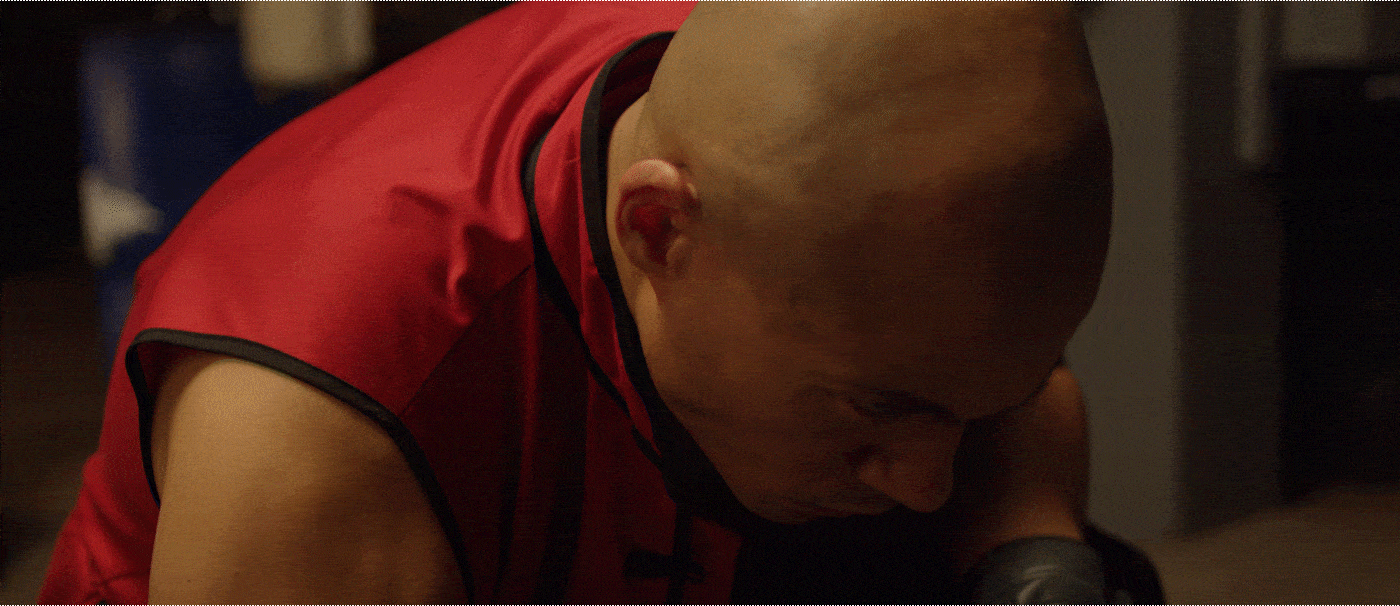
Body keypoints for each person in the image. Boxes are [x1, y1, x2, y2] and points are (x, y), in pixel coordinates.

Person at [40, 2, 1128, 603]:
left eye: (970, 405)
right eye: (879, 407)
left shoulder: (826, 142)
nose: (930, 480)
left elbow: (970, 378)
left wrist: (1031, 556)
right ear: (660, 230)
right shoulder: (316, 425)